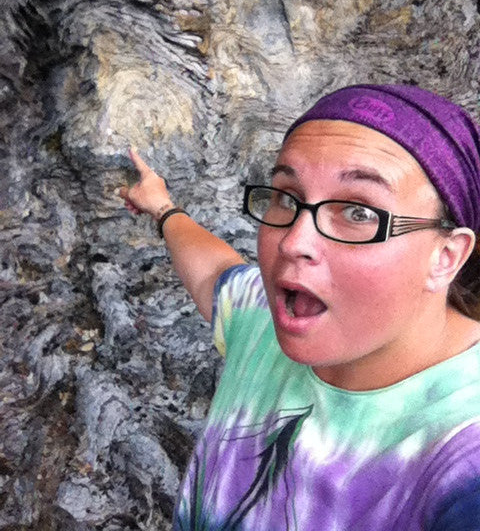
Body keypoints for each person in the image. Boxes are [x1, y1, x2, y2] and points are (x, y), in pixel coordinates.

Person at [119, 84, 480, 530]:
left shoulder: (463, 458)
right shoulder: (260, 322)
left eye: (359, 212)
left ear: (446, 256)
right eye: (287, 198)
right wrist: (162, 206)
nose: (293, 241)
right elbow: (215, 273)